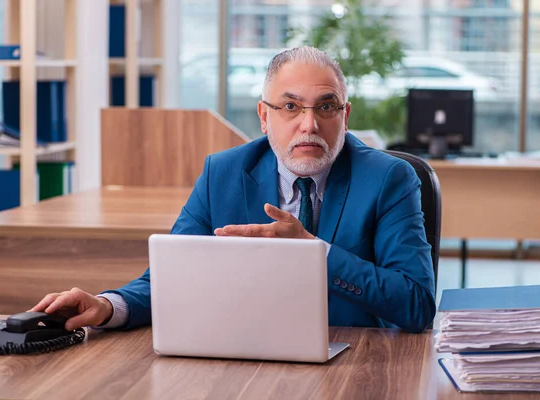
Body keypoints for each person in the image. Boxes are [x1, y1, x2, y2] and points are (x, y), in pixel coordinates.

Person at [31, 46, 436, 333]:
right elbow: (172, 278)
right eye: (291, 107)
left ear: (344, 116)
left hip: (356, 365)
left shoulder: (389, 178)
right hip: (244, 360)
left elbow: (417, 304)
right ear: (264, 116)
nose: (309, 124)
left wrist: (315, 252)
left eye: (326, 107)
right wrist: (105, 307)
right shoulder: (223, 173)